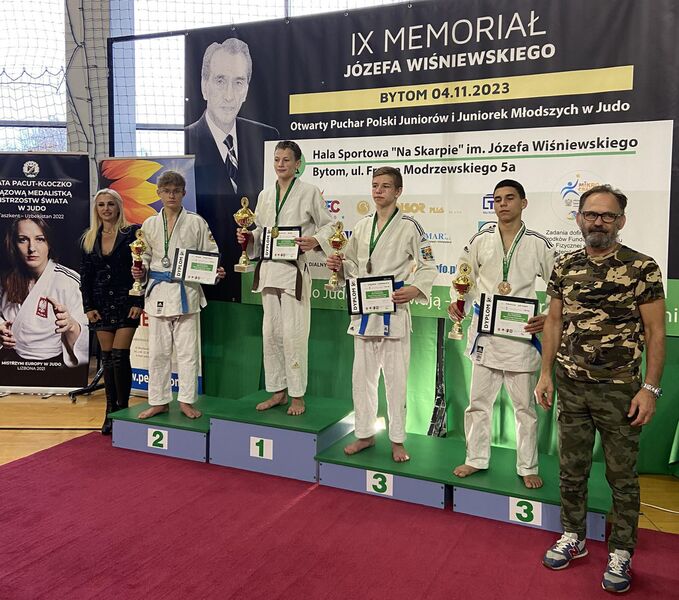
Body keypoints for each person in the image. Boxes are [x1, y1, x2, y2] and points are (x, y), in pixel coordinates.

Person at [536, 185, 665, 593]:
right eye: (591, 214)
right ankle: (573, 535)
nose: (598, 222)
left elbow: (655, 332)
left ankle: (621, 551)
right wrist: (545, 375)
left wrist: (650, 389)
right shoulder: (565, 265)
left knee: (621, 477)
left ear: (621, 221)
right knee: (571, 470)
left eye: (608, 215)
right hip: (571, 387)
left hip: (621, 391)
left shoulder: (641, 267)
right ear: (578, 218)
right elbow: (554, 322)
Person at [449, 180, 557, 488]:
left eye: (510, 198)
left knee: (525, 409)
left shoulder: (538, 243)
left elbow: (558, 286)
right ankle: (475, 458)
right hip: (486, 333)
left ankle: (527, 465)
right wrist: (458, 303)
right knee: (478, 403)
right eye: (497, 199)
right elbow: (464, 277)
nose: (503, 204)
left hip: (521, 336)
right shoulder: (480, 239)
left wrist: (548, 315)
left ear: (523, 203)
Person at [326, 167, 437, 462]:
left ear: (398, 191)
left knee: (396, 381)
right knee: (361, 379)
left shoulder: (411, 227)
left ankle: (397, 440)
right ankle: (364, 434)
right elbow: (353, 265)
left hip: (394, 310)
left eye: (385, 186)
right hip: (365, 311)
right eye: (375, 185)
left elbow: (429, 266)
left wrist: (415, 289)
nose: (378, 191)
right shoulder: (362, 226)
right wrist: (339, 267)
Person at [238, 140, 334, 416]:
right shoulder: (265, 195)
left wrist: (315, 240)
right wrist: (249, 237)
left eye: (286, 160)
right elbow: (261, 231)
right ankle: (277, 390)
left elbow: (329, 226)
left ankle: (297, 395)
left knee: (294, 335)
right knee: (271, 334)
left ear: (297, 164)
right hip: (269, 271)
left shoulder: (309, 191)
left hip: (293, 272)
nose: (281, 164)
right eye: (277, 159)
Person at [186, 37, 279, 302]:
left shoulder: (267, 138)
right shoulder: (187, 143)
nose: (229, 95)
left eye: (238, 82)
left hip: (259, 269)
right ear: (204, 86)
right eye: (220, 80)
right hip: (214, 275)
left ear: (246, 89)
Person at [131, 171, 225, 420]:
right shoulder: (149, 224)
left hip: (187, 292)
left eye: (176, 191)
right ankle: (158, 401)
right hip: (158, 292)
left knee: (188, 353)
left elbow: (210, 253)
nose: (171, 195)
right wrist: (139, 268)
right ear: (158, 193)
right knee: (158, 353)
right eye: (166, 191)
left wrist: (215, 271)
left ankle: (186, 400)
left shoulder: (196, 222)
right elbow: (144, 255)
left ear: (184, 193)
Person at [80, 189, 143, 434]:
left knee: (119, 356)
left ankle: (123, 410)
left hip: (127, 302)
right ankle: (110, 412)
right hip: (100, 306)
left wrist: (138, 301)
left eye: (110, 204)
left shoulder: (132, 233)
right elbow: (85, 276)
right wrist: (88, 307)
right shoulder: (89, 238)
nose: (106, 209)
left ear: (119, 207)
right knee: (107, 359)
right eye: (101, 205)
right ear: (96, 209)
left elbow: (141, 270)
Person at [0, 217, 88, 382]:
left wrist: (71, 326)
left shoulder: (70, 281)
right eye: (23, 240)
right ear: (13, 244)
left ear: (49, 243)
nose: (31, 248)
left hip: (55, 367)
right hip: (10, 364)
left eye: (39, 239)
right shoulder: (6, 280)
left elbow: (86, 340)